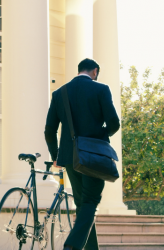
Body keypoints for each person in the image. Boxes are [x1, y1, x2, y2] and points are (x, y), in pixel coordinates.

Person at [44, 58, 120, 250]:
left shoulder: (59, 94)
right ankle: (72, 245)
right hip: (93, 156)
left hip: (70, 157)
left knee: (83, 205)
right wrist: (102, 134)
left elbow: (49, 130)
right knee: (90, 202)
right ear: (95, 71)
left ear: (79, 71)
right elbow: (114, 123)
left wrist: (55, 155)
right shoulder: (101, 89)